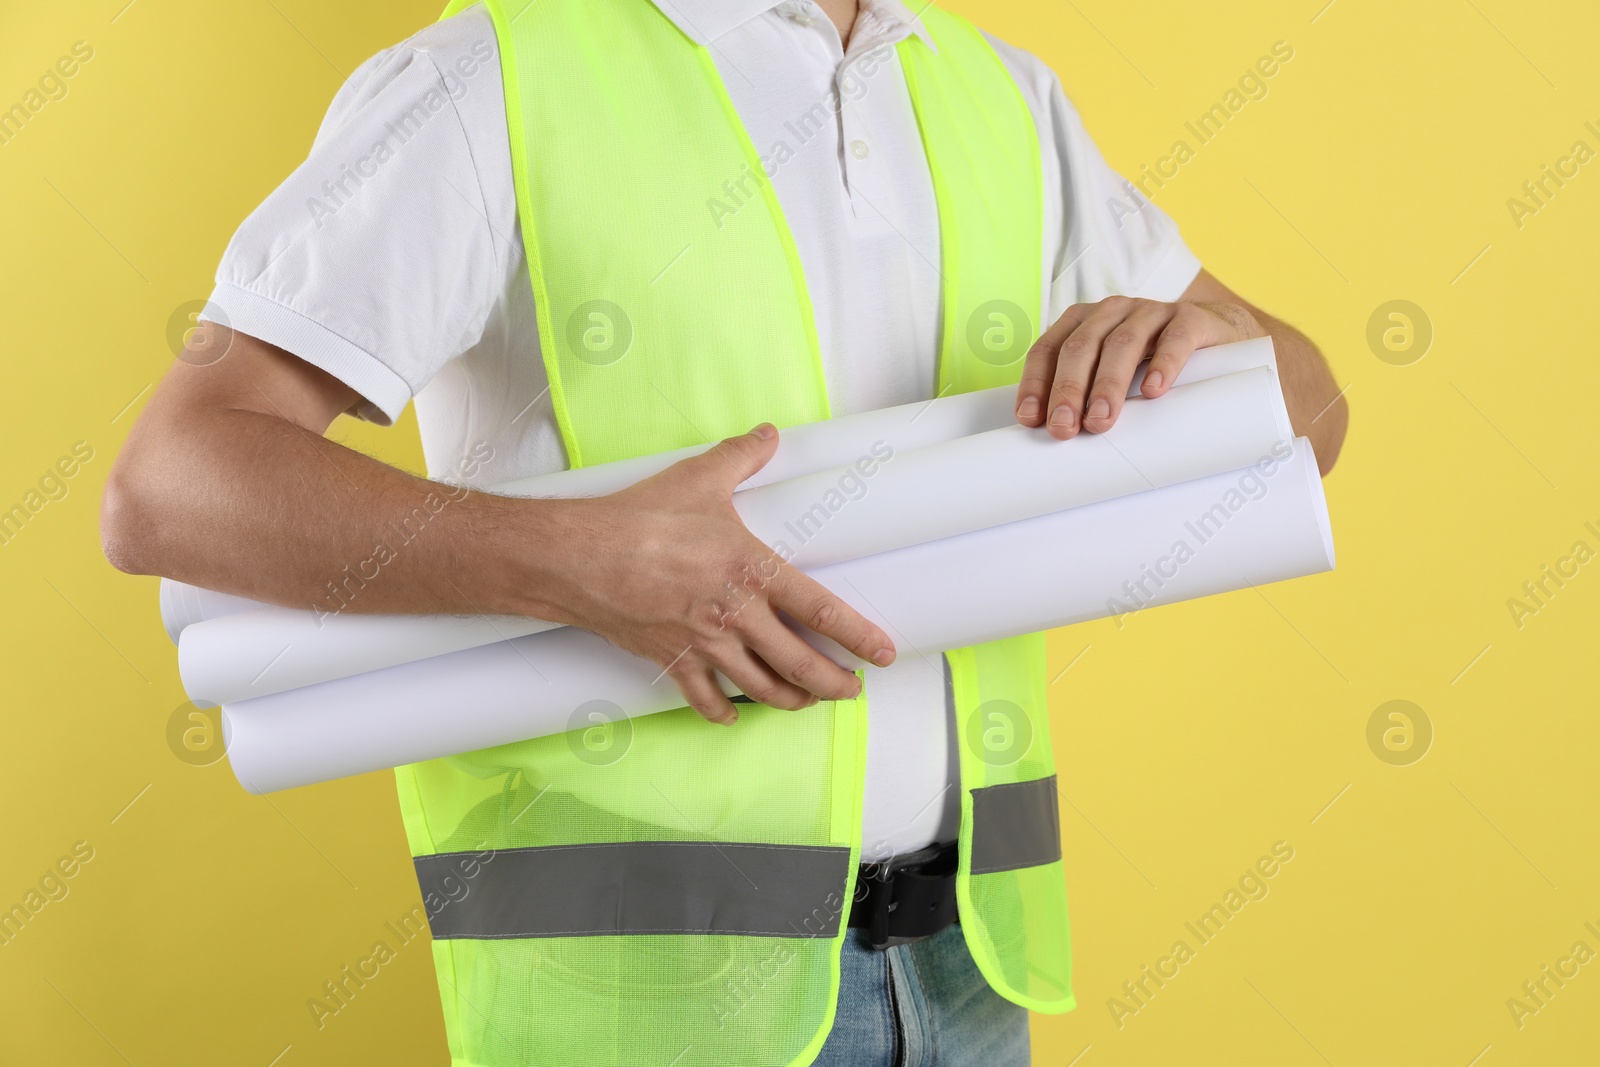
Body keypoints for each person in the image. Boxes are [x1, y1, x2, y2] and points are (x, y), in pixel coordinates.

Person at [102, 0, 1348, 1063]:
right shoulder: (493, 77)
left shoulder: (993, 91)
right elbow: (172, 482)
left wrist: (1203, 343)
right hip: (645, 1004)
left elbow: (1311, 411)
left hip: (966, 979)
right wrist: (578, 562)